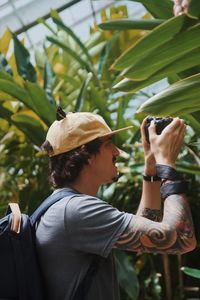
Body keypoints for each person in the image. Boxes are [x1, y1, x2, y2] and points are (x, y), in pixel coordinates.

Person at [36, 109, 196, 300]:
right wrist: (167, 166)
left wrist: (151, 166)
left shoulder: (64, 207)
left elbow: (143, 241)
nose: (116, 151)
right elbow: (182, 239)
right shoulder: (75, 211)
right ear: (86, 154)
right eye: (108, 144)